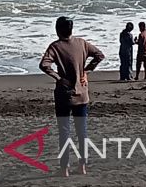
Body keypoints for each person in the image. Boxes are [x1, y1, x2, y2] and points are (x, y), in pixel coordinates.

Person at [40, 17, 104, 177]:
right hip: (82, 94)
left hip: (64, 95)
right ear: (71, 29)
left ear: (57, 30)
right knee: (82, 132)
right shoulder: (82, 43)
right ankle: (82, 165)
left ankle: (64, 168)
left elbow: (44, 65)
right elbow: (99, 55)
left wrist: (59, 78)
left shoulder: (55, 47)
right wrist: (86, 72)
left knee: (64, 132)